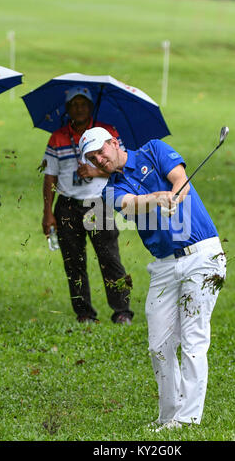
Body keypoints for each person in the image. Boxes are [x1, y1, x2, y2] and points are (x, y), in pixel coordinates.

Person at [79, 126, 227, 431]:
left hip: (202, 256)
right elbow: (130, 203)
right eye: (93, 159)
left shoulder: (154, 150)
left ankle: (187, 420)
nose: (99, 160)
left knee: (193, 337)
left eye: (101, 151)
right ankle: (168, 415)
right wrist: (157, 199)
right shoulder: (109, 191)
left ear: (114, 142)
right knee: (158, 344)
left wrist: (174, 195)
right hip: (163, 267)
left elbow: (179, 179)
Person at [41, 87, 134, 325]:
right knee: (73, 262)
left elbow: (119, 166)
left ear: (90, 107)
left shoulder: (108, 133)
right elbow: (49, 176)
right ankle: (84, 313)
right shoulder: (57, 137)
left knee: (110, 258)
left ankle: (122, 311)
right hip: (67, 205)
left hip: (98, 203)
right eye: (74, 104)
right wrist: (47, 213)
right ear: (68, 108)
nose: (79, 108)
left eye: (83, 104)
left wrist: (95, 170)